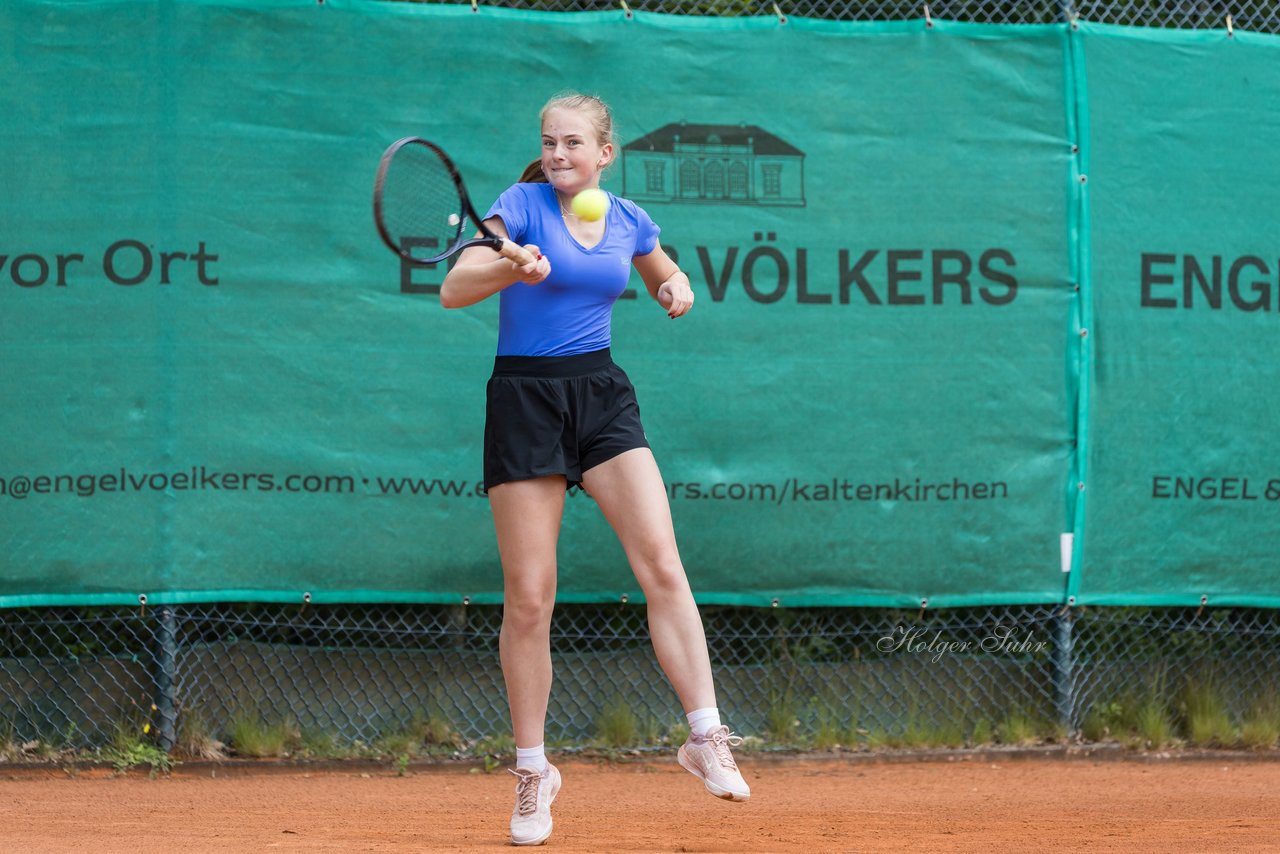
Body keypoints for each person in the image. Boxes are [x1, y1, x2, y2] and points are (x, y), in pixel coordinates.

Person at [440, 93, 750, 847]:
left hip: (602, 397)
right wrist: (512, 270)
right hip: (524, 399)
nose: (557, 154)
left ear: (604, 153)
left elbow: (664, 272)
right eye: (548, 142)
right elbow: (454, 287)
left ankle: (704, 734)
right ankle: (531, 770)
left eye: (573, 143)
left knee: (663, 567)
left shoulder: (627, 217)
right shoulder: (517, 205)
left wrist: (675, 286)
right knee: (530, 599)